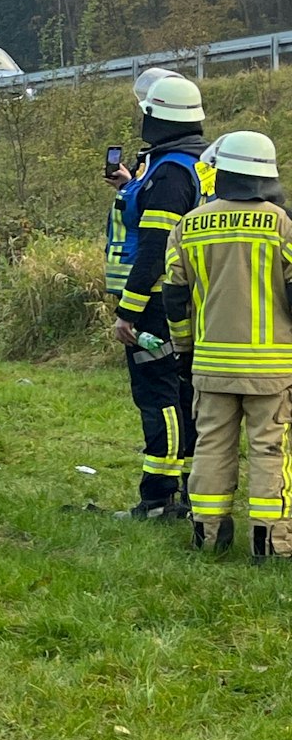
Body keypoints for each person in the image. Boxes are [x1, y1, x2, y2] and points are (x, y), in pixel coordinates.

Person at [161, 131, 292, 561]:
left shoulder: (189, 225)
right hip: (272, 367)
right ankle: (271, 543)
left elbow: (175, 298)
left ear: (223, 172)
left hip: (211, 362)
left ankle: (209, 535)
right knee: (270, 449)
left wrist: (184, 350)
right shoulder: (282, 224)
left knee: (212, 445)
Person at [107, 73, 210, 520]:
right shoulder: (189, 163)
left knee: (159, 396)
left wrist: (127, 312)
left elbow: (153, 250)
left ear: (156, 118)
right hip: (180, 302)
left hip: (152, 306)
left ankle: (158, 497)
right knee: (182, 393)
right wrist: (130, 185)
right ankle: (187, 492)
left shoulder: (168, 174)